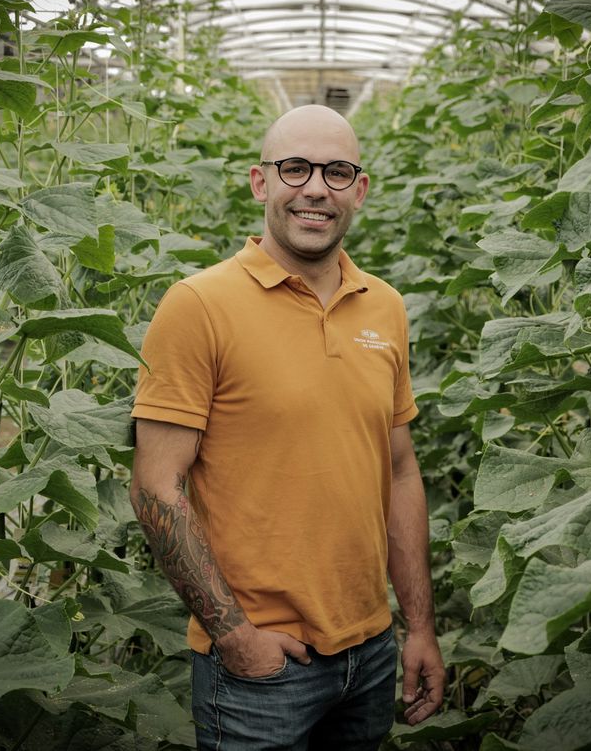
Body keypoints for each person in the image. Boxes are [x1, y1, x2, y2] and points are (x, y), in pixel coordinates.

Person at [129, 104, 445, 750]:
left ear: (359, 190)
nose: (314, 189)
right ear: (260, 181)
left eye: (336, 172)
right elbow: (156, 486)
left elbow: (400, 467)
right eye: (295, 168)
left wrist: (419, 626)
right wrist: (236, 638)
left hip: (371, 653)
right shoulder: (199, 306)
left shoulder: (384, 306)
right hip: (260, 673)